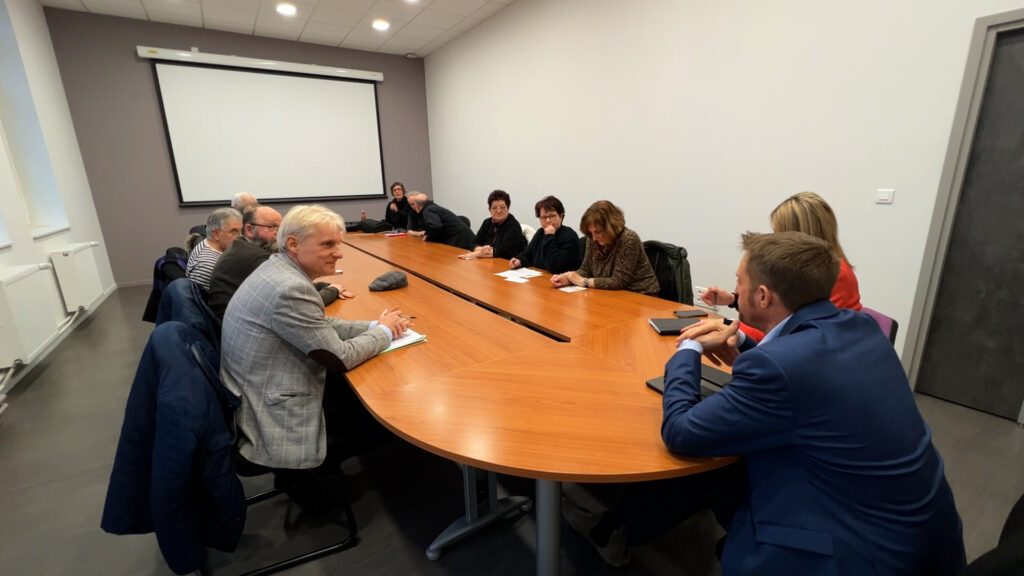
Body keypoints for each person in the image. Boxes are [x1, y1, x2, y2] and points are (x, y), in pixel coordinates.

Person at [663, 231, 962, 574]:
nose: (737, 291)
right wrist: (743, 339)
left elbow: (680, 431)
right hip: (926, 536)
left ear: (763, 296)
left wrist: (688, 350)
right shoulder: (860, 326)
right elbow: (806, 370)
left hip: (862, 553)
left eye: (739, 283)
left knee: (712, 467)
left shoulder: (779, 367)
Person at [221, 205, 410, 471]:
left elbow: (318, 324)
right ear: (293, 243)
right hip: (274, 416)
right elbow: (340, 357)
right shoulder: (291, 288)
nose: (339, 252)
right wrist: (385, 332)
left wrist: (373, 325)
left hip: (254, 392)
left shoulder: (278, 268)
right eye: (327, 244)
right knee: (389, 411)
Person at [701, 191, 861, 341]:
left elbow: (786, 334)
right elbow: (786, 311)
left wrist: (727, 326)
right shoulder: (811, 271)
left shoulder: (835, 277)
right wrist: (735, 300)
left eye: (779, 233)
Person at [206, 205, 350, 319]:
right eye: (271, 227)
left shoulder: (242, 248)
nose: (279, 233)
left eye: (280, 227)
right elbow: (299, 304)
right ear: (249, 230)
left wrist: (323, 285)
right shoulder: (257, 259)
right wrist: (333, 290)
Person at [551, 200, 659, 295]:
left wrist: (583, 281)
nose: (593, 237)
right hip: (611, 294)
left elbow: (617, 281)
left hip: (642, 295)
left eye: (597, 232)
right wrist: (568, 278)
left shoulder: (629, 239)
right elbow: (586, 269)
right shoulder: (592, 239)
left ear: (611, 227)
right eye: (590, 232)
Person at [509, 195, 581, 274]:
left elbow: (555, 267)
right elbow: (528, 254)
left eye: (552, 216)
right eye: (543, 217)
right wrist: (519, 260)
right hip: (540, 278)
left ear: (561, 216)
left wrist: (549, 236)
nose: (547, 220)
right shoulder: (540, 232)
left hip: (561, 281)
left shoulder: (569, 236)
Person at [185, 207, 242, 290]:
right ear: (216, 234)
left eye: (240, 231)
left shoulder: (206, 243)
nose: (240, 237)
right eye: (234, 232)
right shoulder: (208, 266)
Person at [462, 190, 526, 260]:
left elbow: (505, 252)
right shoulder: (487, 222)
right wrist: (480, 249)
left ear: (508, 208)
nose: (498, 211)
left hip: (506, 264)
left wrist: (477, 254)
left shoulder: (514, 226)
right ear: (489, 209)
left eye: (502, 207)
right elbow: (473, 243)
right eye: (494, 208)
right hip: (487, 262)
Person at [405, 192, 476, 250]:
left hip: (461, 240)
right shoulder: (432, 207)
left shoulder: (427, 211)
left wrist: (429, 238)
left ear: (417, 205)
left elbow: (436, 226)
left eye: (412, 204)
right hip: (464, 238)